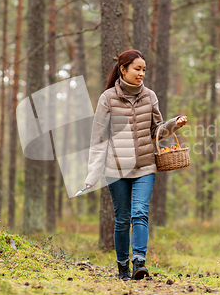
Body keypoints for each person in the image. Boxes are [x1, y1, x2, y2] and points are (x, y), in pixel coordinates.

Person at [83, 49, 188, 281]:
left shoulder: (149, 96)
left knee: (140, 213)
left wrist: (173, 125)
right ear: (123, 69)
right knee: (122, 219)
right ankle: (122, 268)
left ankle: (139, 262)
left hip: (144, 167)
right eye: (137, 69)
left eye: (144, 70)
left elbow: (155, 131)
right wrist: (93, 173)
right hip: (116, 169)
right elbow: (99, 137)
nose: (141, 74)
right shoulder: (107, 98)